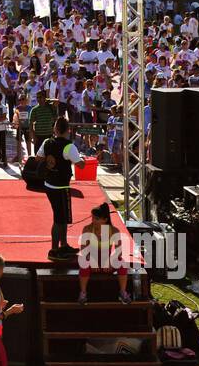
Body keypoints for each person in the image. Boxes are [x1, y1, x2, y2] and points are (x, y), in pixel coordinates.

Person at [38, 117, 85, 259]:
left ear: (55, 130)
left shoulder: (47, 142)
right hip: (61, 186)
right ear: (68, 130)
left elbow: (38, 158)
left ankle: (63, 245)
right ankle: (53, 250)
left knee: (62, 217)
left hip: (49, 183)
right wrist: (80, 158)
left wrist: (50, 162)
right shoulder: (69, 146)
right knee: (59, 219)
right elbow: (80, 165)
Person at [77, 202, 131, 304]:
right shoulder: (87, 229)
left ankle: (123, 292)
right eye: (92, 218)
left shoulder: (114, 231)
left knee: (122, 262)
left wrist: (110, 262)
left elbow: (119, 252)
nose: (93, 221)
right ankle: (83, 292)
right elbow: (83, 251)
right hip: (92, 262)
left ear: (105, 220)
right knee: (83, 262)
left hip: (107, 263)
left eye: (97, 219)